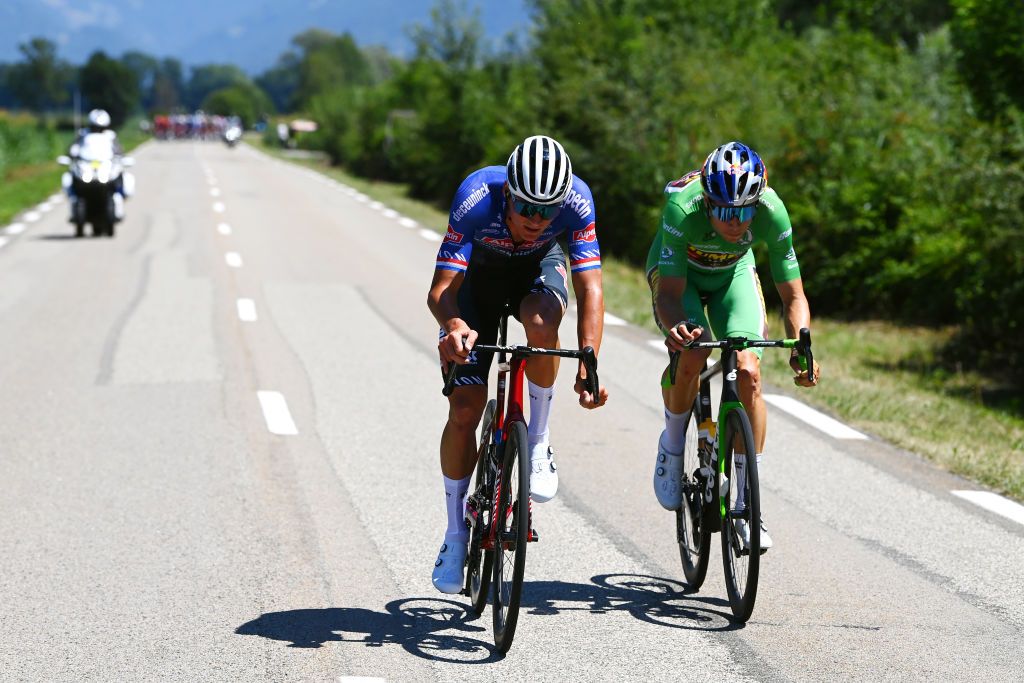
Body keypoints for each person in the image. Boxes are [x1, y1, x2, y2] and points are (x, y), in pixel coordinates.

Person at [427, 134, 610, 594]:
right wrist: (453, 325)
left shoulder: (577, 201)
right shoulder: (475, 197)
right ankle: (454, 533)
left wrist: (590, 358)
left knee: (543, 325)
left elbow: (591, 288)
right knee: (465, 409)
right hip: (478, 284)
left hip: (536, 271)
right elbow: (442, 288)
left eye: (547, 211)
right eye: (527, 207)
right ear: (508, 193)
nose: (536, 219)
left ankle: (540, 439)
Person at [646, 141, 820, 550]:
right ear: (707, 201)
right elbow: (669, 294)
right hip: (680, 277)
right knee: (695, 351)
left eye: (745, 211)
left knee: (748, 370)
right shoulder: (681, 208)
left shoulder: (772, 212)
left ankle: (748, 503)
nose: (736, 222)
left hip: (733, 276)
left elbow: (793, 297)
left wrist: (802, 345)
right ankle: (672, 445)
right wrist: (677, 328)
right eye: (725, 210)